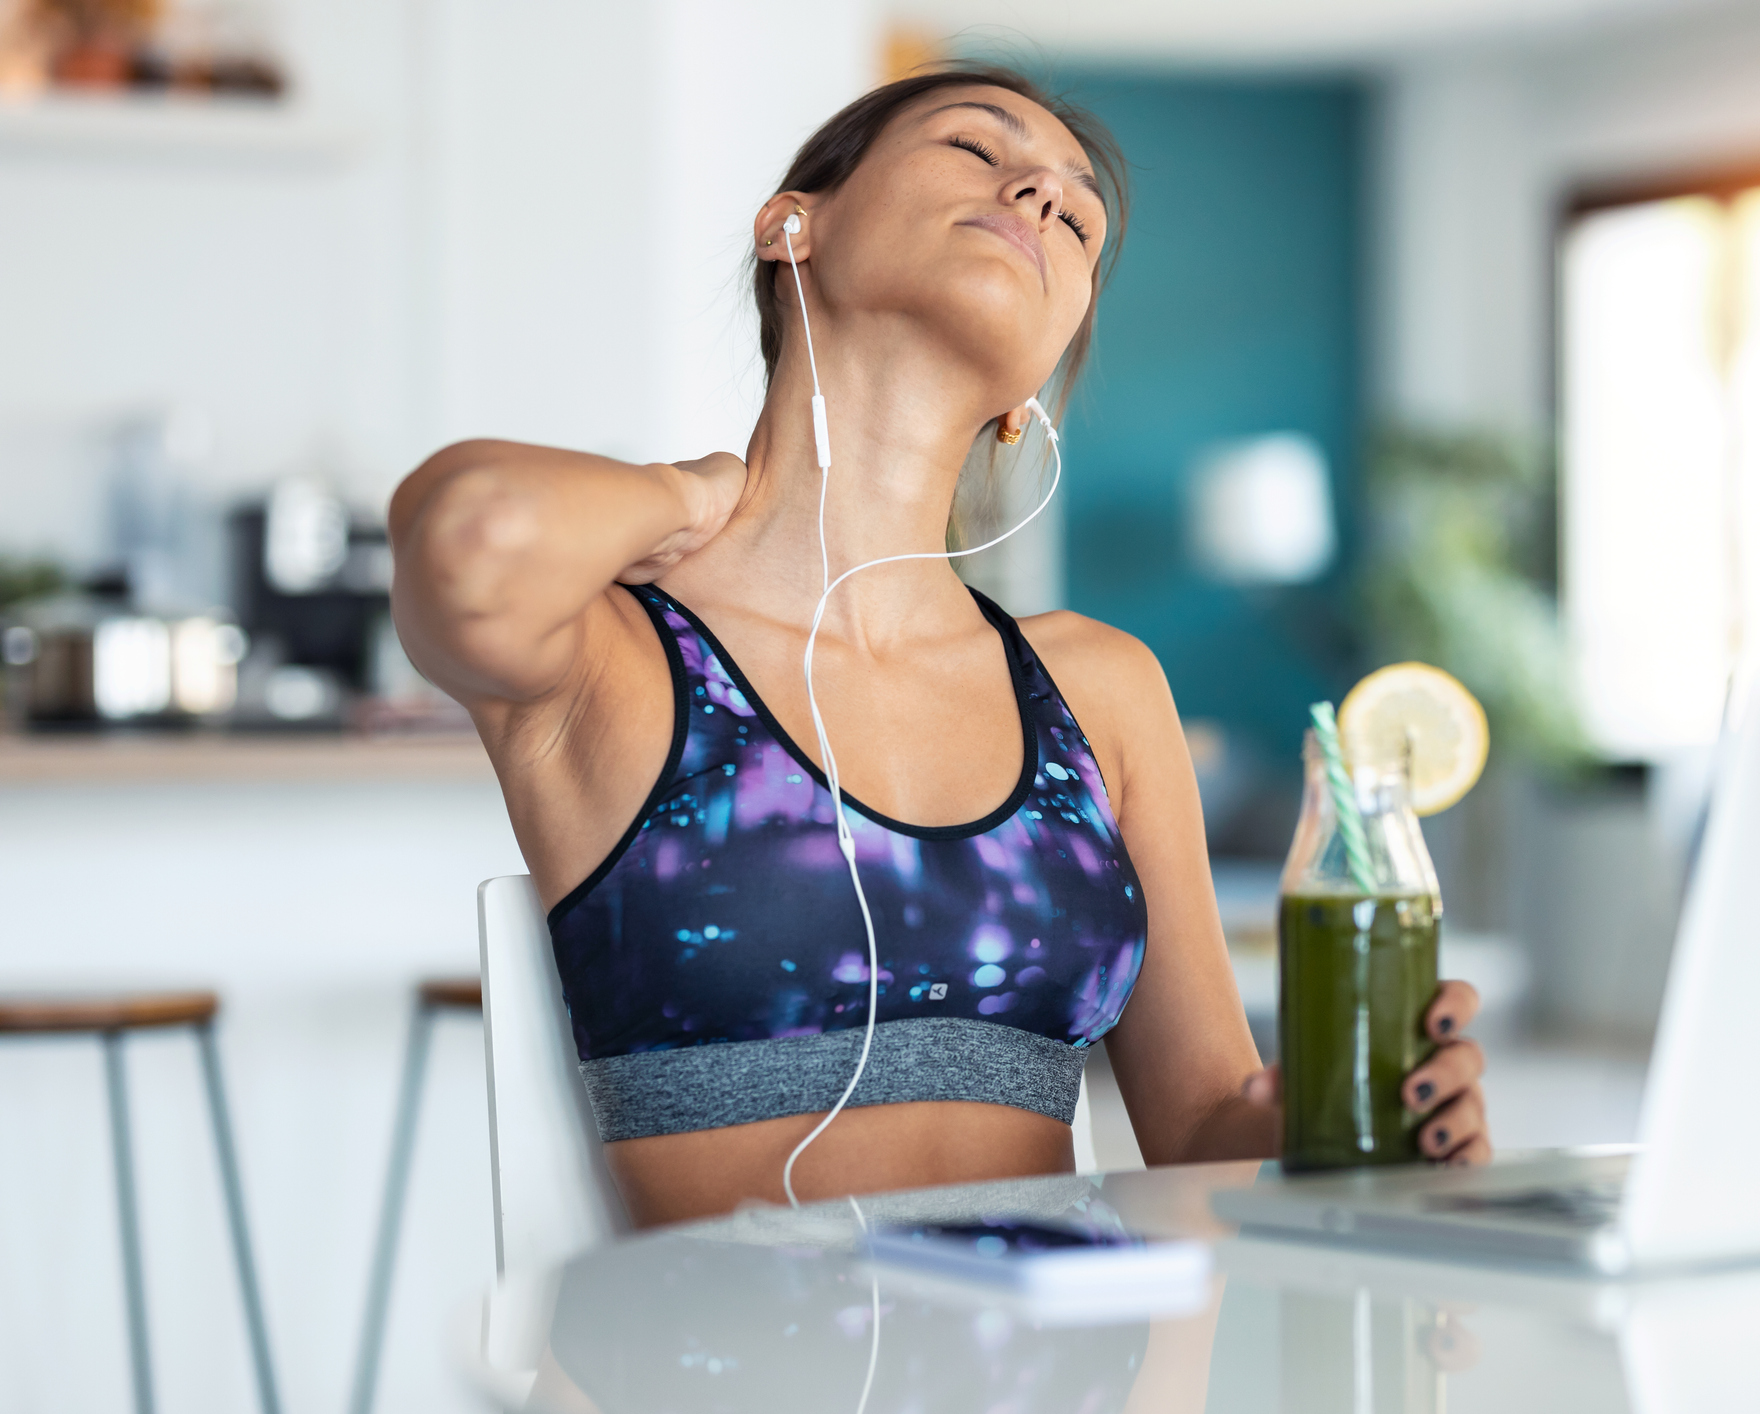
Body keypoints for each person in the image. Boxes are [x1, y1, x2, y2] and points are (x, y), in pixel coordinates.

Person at [388, 64, 1490, 1225]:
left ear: (1034, 393)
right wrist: (696, 495)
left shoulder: (1099, 687)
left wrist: (1369, 1115)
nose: (1042, 195)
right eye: (976, 148)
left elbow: (1208, 1130)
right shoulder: (620, 654)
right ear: (791, 226)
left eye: (1078, 214)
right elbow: (473, 539)